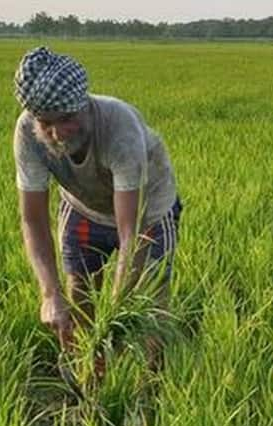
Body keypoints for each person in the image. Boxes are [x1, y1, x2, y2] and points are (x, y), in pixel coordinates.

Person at [13, 46, 181, 373]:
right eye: (46, 123)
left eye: (67, 120)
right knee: (78, 289)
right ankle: (89, 374)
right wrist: (50, 294)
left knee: (149, 299)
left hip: (148, 211)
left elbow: (129, 234)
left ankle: (152, 382)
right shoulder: (26, 133)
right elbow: (32, 220)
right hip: (82, 206)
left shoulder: (120, 128)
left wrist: (114, 318)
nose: (58, 134)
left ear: (84, 106)